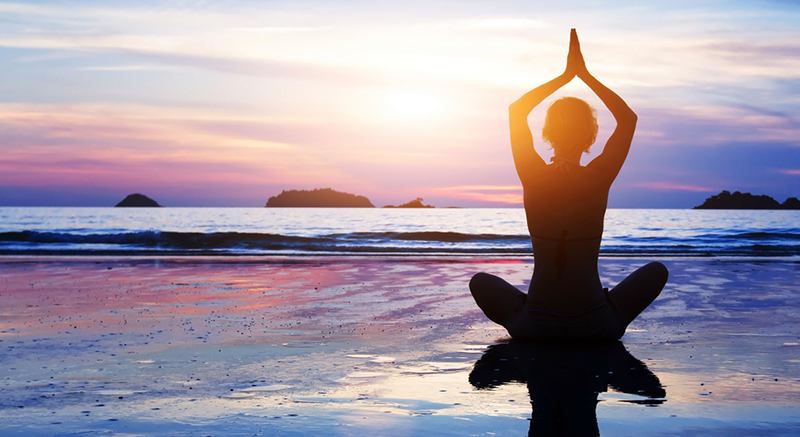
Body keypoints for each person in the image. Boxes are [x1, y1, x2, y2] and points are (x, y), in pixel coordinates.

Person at [470, 29, 668, 341]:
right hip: (597, 327)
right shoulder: (597, 177)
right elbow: (627, 119)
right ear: (591, 137)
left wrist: (565, 76)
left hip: (535, 326)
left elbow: (516, 111)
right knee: (657, 270)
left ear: (546, 133)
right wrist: (584, 75)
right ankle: (602, 308)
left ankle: (526, 312)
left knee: (480, 281)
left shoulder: (532, 173)